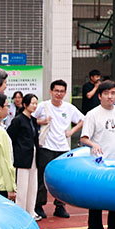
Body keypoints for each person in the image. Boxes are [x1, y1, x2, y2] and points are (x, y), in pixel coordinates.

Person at [80, 80, 115, 229]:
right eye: (106, 93)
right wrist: (93, 144)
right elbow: (84, 138)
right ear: (100, 96)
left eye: (113, 93)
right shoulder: (92, 114)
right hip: (100, 164)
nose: (110, 96)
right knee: (97, 198)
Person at [32, 80, 84, 219]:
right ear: (51, 91)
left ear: (65, 93)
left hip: (63, 148)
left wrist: (72, 131)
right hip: (46, 147)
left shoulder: (69, 108)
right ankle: (39, 205)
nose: (59, 94)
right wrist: (41, 122)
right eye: (56, 91)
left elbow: (82, 120)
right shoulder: (43, 106)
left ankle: (60, 206)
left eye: (62, 91)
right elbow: (30, 119)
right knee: (42, 177)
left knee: (62, 178)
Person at [6, 94, 40, 219]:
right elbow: (10, 136)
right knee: (22, 186)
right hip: (22, 157)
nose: (35, 106)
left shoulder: (33, 120)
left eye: (36, 103)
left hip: (33, 155)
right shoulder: (18, 120)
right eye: (32, 103)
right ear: (25, 105)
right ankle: (21, 213)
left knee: (33, 185)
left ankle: (31, 211)